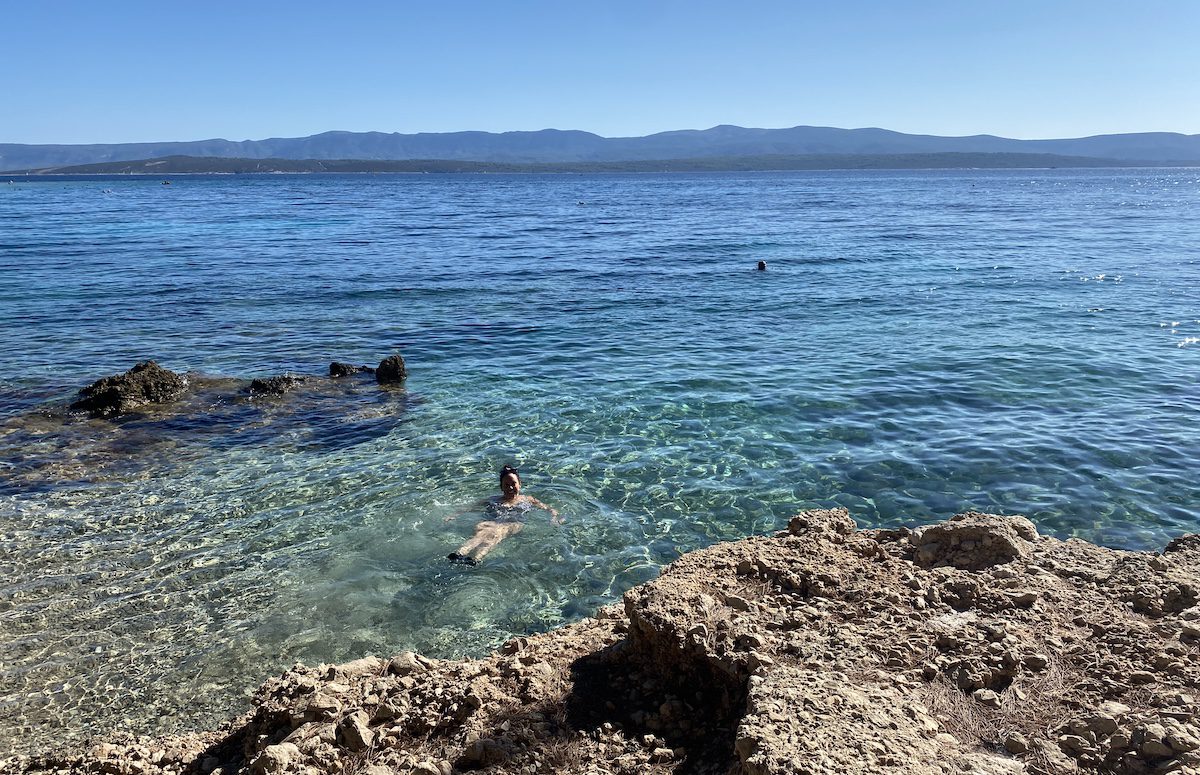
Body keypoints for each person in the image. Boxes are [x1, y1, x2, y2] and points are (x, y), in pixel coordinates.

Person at [446, 465, 561, 565]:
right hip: (492, 522)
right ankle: (460, 553)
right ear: (501, 487)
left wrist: (555, 517)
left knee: (498, 532)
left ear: (520, 484)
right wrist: (454, 514)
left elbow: (550, 509)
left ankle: (475, 558)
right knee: (482, 531)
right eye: (506, 485)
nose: (510, 487)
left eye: (513, 484)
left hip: (513, 524)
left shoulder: (528, 499)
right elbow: (471, 506)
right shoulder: (493, 499)